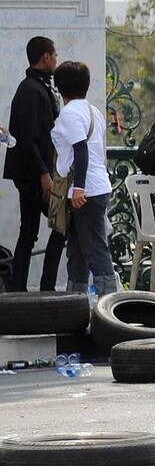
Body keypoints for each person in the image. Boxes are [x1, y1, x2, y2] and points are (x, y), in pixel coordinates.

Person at [3, 36, 66, 291]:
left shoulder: (39, 87)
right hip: (33, 176)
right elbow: (29, 138)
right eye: (55, 55)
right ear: (46, 57)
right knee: (61, 226)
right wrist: (44, 175)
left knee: (28, 233)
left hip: (33, 173)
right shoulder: (31, 90)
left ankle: (19, 289)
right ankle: (46, 287)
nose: (56, 60)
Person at [49, 61, 117, 296]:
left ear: (59, 88)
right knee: (77, 250)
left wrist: (79, 188)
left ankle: (112, 306)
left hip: (85, 191)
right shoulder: (92, 110)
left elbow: (81, 150)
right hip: (96, 187)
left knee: (95, 249)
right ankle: (74, 301)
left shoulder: (69, 113)